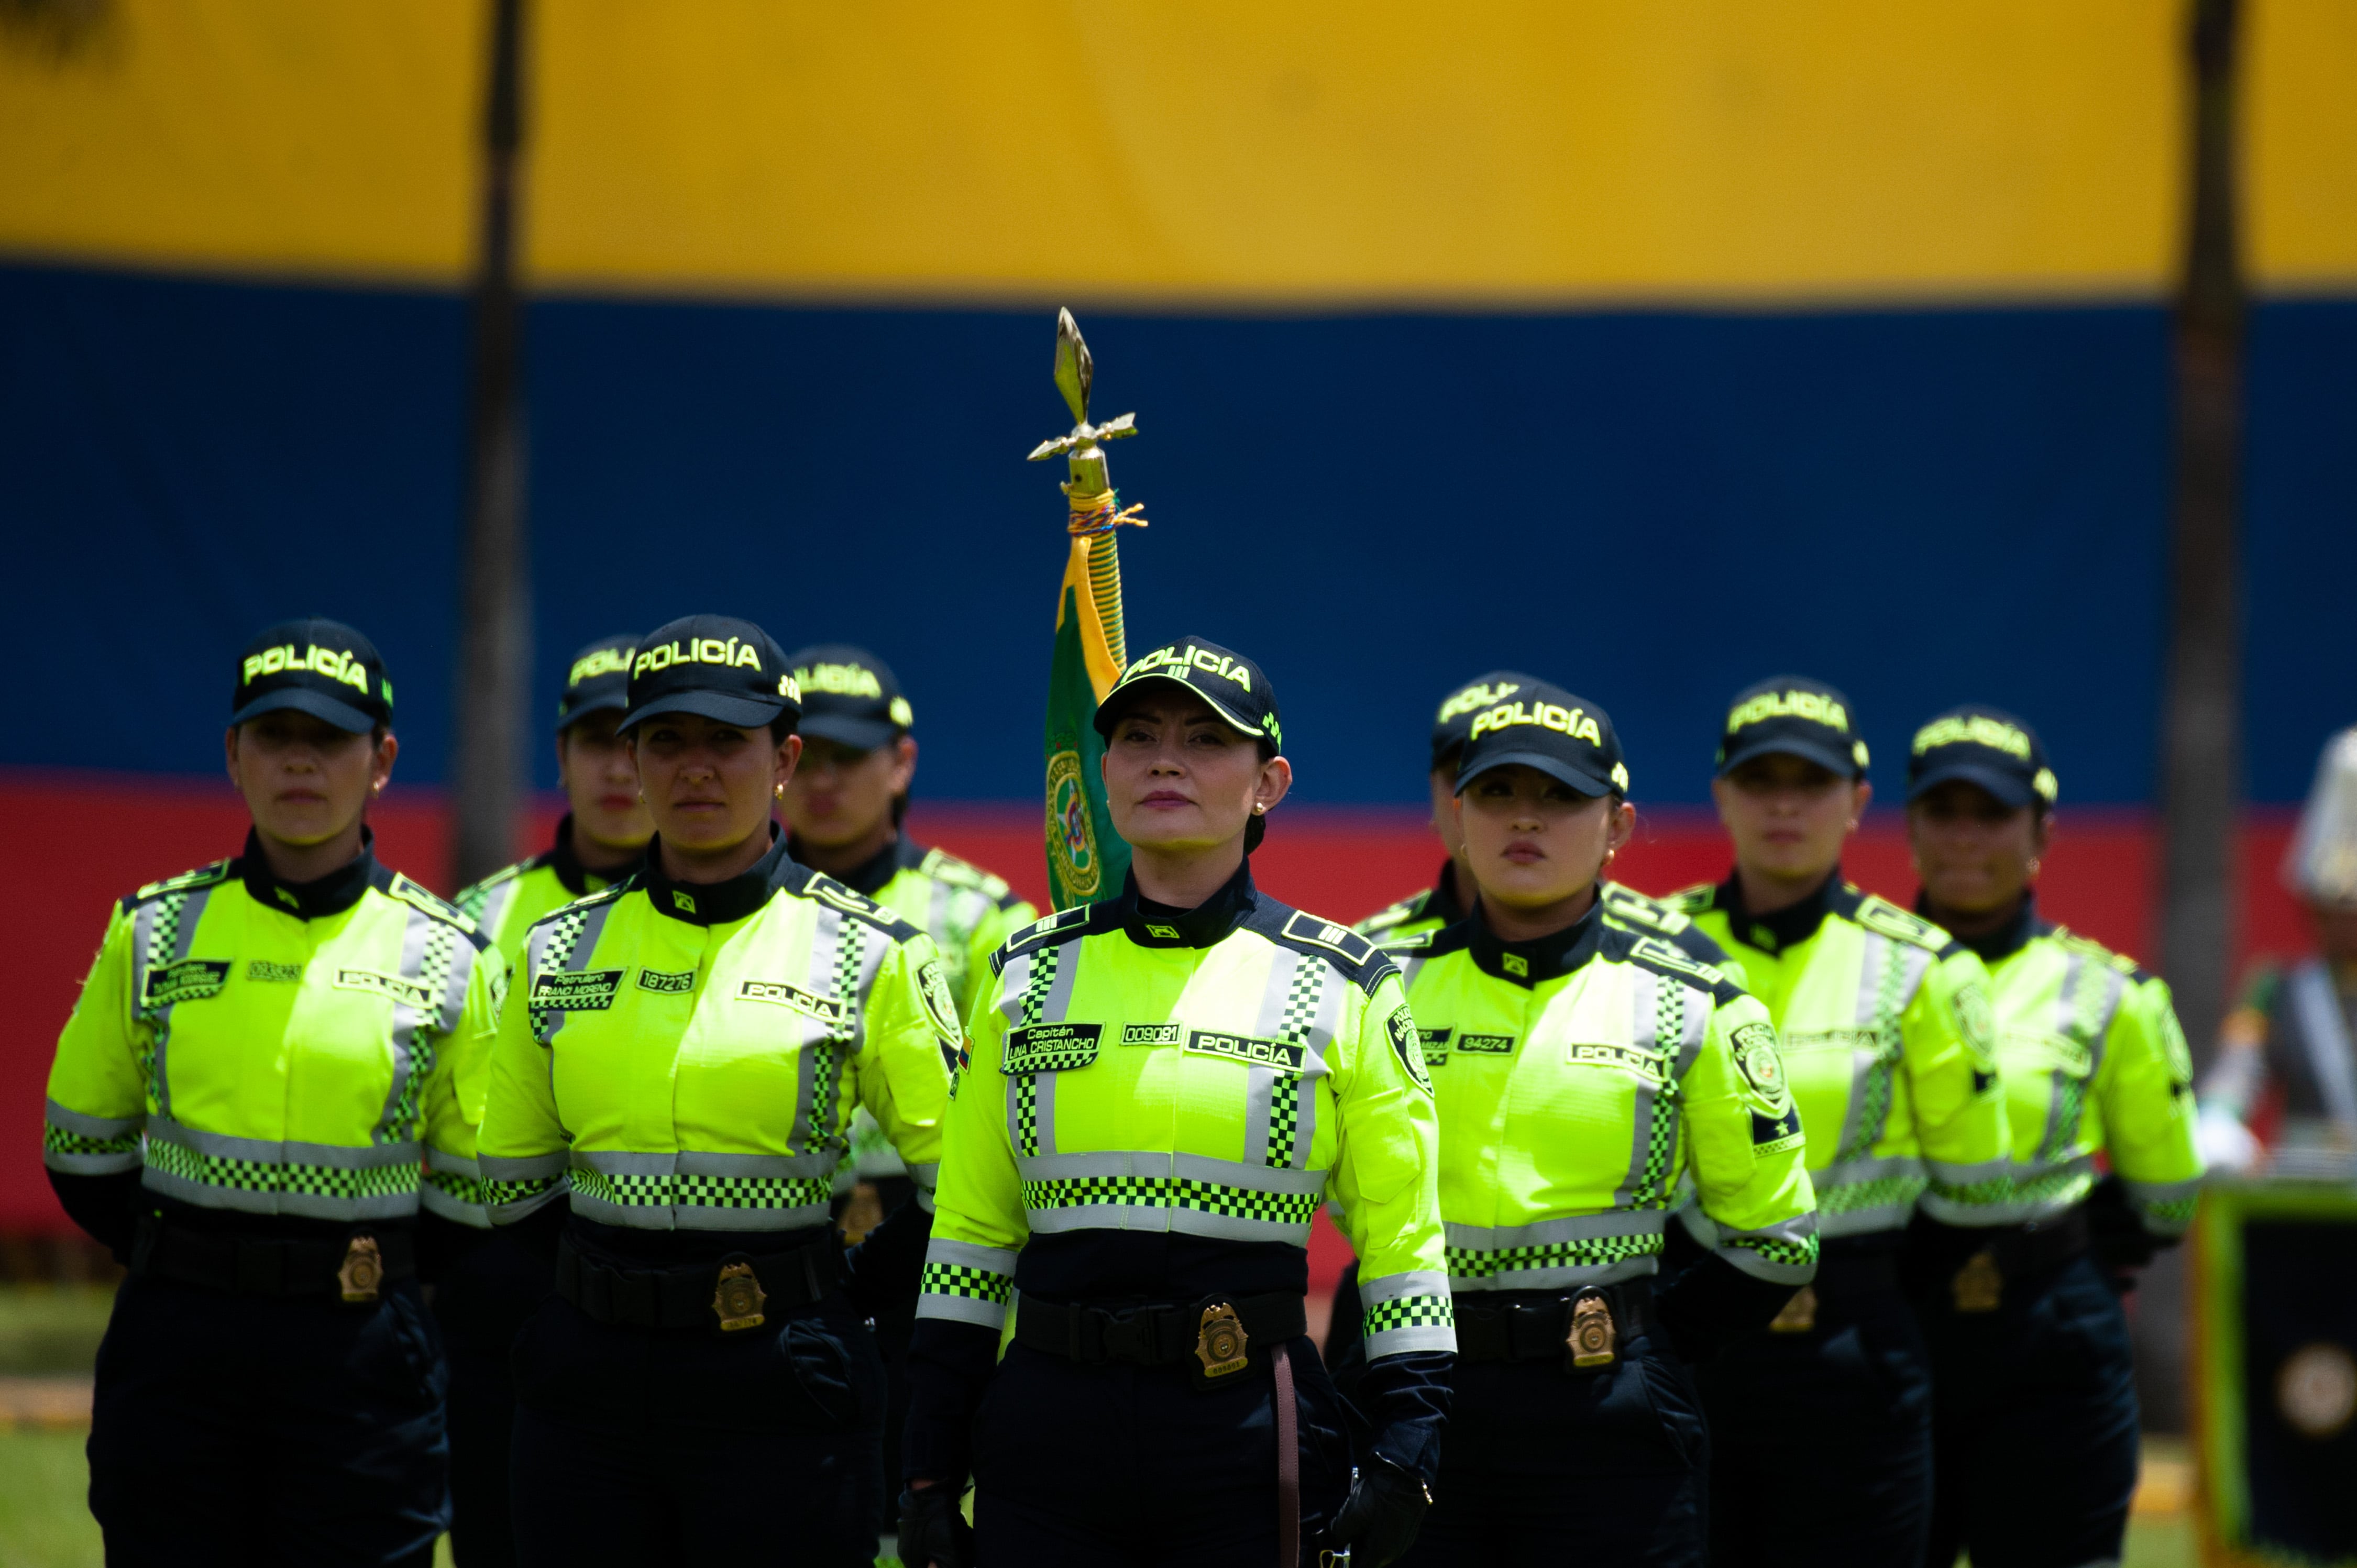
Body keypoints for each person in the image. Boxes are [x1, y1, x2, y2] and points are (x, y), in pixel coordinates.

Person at [899, 636, 1453, 1568]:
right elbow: (968, 1236)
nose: (1166, 757)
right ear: (1103, 770)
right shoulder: (1025, 974)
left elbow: (1402, 1242)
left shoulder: (1343, 981)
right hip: (1048, 1428)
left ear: (1268, 781)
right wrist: (926, 1470)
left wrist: (1410, 1449)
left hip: (1247, 1424)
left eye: (1205, 739)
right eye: (1140, 735)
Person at [475, 614, 958, 1568]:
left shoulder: (873, 950)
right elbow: (518, 1184)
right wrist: (606, 1293)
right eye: (667, 740)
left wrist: (837, 1288)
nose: (696, 767)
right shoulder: (556, 947)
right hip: (587, 1390)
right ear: (635, 758)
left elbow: (963, 1187)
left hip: (784, 1379)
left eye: (727, 742)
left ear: (783, 758)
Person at [42, 617, 500, 1567]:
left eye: (330, 739)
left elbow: (476, 1184)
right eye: (274, 735)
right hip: (180, 1343)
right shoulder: (155, 929)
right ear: (233, 755)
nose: (301, 761)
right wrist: (188, 1254)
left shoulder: (447, 949)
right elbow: (83, 1149)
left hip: (364, 1347)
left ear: (381, 760)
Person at [1374, 679, 1816, 1565]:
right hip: (1413, 1394)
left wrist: (1641, 1339)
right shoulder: (1371, 980)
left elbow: (1776, 1238)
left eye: (1560, 797)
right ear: (1458, 814)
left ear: (1617, 824)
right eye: (1497, 792)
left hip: (1607, 1413)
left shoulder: (1695, 994)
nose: (1525, 820)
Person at [1662, 675, 2013, 1568]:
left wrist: (1867, 1282)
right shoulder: (1652, 945)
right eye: (1760, 777)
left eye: (1811, 781)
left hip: (1860, 1346)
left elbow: (1975, 1194)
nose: (1785, 801)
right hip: (1684, 1340)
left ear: (1858, 801)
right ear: (1722, 793)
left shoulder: (1924, 965)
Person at [1899, 706, 2202, 1568]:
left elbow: (2167, 1193)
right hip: (1888, 1320)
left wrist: (2067, 1250)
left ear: (2042, 834)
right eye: (1943, 811)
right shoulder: (1861, 970)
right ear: (1910, 827)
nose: (1965, 835)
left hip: (2052, 1333)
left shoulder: (2113, 991)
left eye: (1990, 813)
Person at [776, 641, 1037, 1518]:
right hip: (786, 1257)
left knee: (929, 1510)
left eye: (849, 756)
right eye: (806, 753)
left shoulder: (982, 912)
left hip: (937, 1254)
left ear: (903, 764)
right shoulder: (743, 917)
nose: (824, 779)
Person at [437, 633, 652, 1567]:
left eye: (633, 738)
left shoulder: (766, 923)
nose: (615, 765)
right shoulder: (476, 919)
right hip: (502, 1304)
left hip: (677, 1298)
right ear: (559, 756)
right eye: (591, 739)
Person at [1357, 670, 1734, 970]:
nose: (1523, 817)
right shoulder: (1367, 963)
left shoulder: (1684, 968)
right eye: (1490, 786)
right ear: (1450, 802)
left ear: (1616, 827)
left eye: (1559, 789)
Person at [2199, 725, 2357, 1175]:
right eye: (2331, 909)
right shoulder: (2276, 989)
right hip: (2305, 1197)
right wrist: (2217, 1120)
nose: (2342, 924)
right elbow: (2238, 1073)